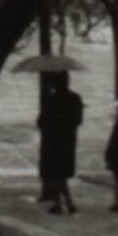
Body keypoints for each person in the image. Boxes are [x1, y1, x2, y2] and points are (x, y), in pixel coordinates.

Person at [37, 71, 83, 214]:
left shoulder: (51, 99)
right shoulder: (75, 98)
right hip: (68, 140)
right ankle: (66, 203)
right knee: (61, 173)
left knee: (54, 173)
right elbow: (78, 120)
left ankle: (61, 203)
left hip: (52, 141)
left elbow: (41, 121)